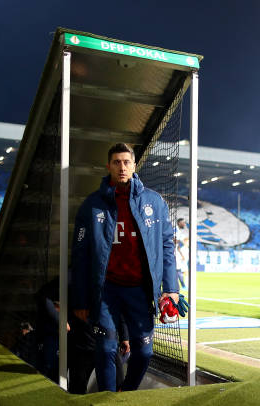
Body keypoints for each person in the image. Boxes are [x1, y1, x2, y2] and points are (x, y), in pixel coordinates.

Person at [71, 143, 179, 392]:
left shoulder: (153, 201)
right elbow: (80, 256)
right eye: (117, 162)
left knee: (144, 351)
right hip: (106, 290)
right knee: (106, 347)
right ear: (108, 166)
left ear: (134, 165)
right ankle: (108, 399)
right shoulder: (92, 205)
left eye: (126, 162)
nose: (122, 167)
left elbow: (166, 245)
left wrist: (171, 287)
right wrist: (80, 299)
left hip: (139, 291)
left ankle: (126, 393)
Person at [175, 218, 189, 291]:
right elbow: (173, 240)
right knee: (177, 270)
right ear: (179, 223)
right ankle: (181, 285)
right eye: (183, 222)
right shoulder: (176, 230)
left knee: (178, 270)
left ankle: (180, 286)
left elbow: (178, 246)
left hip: (176, 252)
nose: (185, 224)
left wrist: (181, 254)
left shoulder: (179, 231)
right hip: (172, 252)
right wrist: (178, 240)